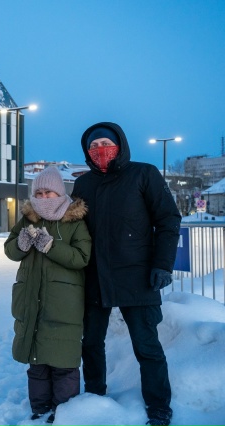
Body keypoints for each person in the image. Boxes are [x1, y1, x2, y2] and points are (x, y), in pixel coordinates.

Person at [71, 122, 181, 426]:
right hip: (95, 277)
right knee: (91, 344)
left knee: (147, 346)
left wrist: (163, 264)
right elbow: (74, 229)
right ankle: (95, 396)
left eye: (106, 143)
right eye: (93, 146)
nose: (100, 150)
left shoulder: (144, 174)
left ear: (120, 144)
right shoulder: (83, 185)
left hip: (138, 275)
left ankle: (159, 406)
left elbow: (168, 219)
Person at [4, 166, 92, 423]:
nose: (43, 198)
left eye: (48, 192)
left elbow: (82, 257)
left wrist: (52, 247)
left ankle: (64, 412)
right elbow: (10, 250)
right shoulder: (27, 219)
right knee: (38, 363)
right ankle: (39, 409)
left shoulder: (75, 221)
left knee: (64, 364)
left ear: (60, 193)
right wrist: (20, 245)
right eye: (39, 193)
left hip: (63, 305)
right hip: (31, 300)